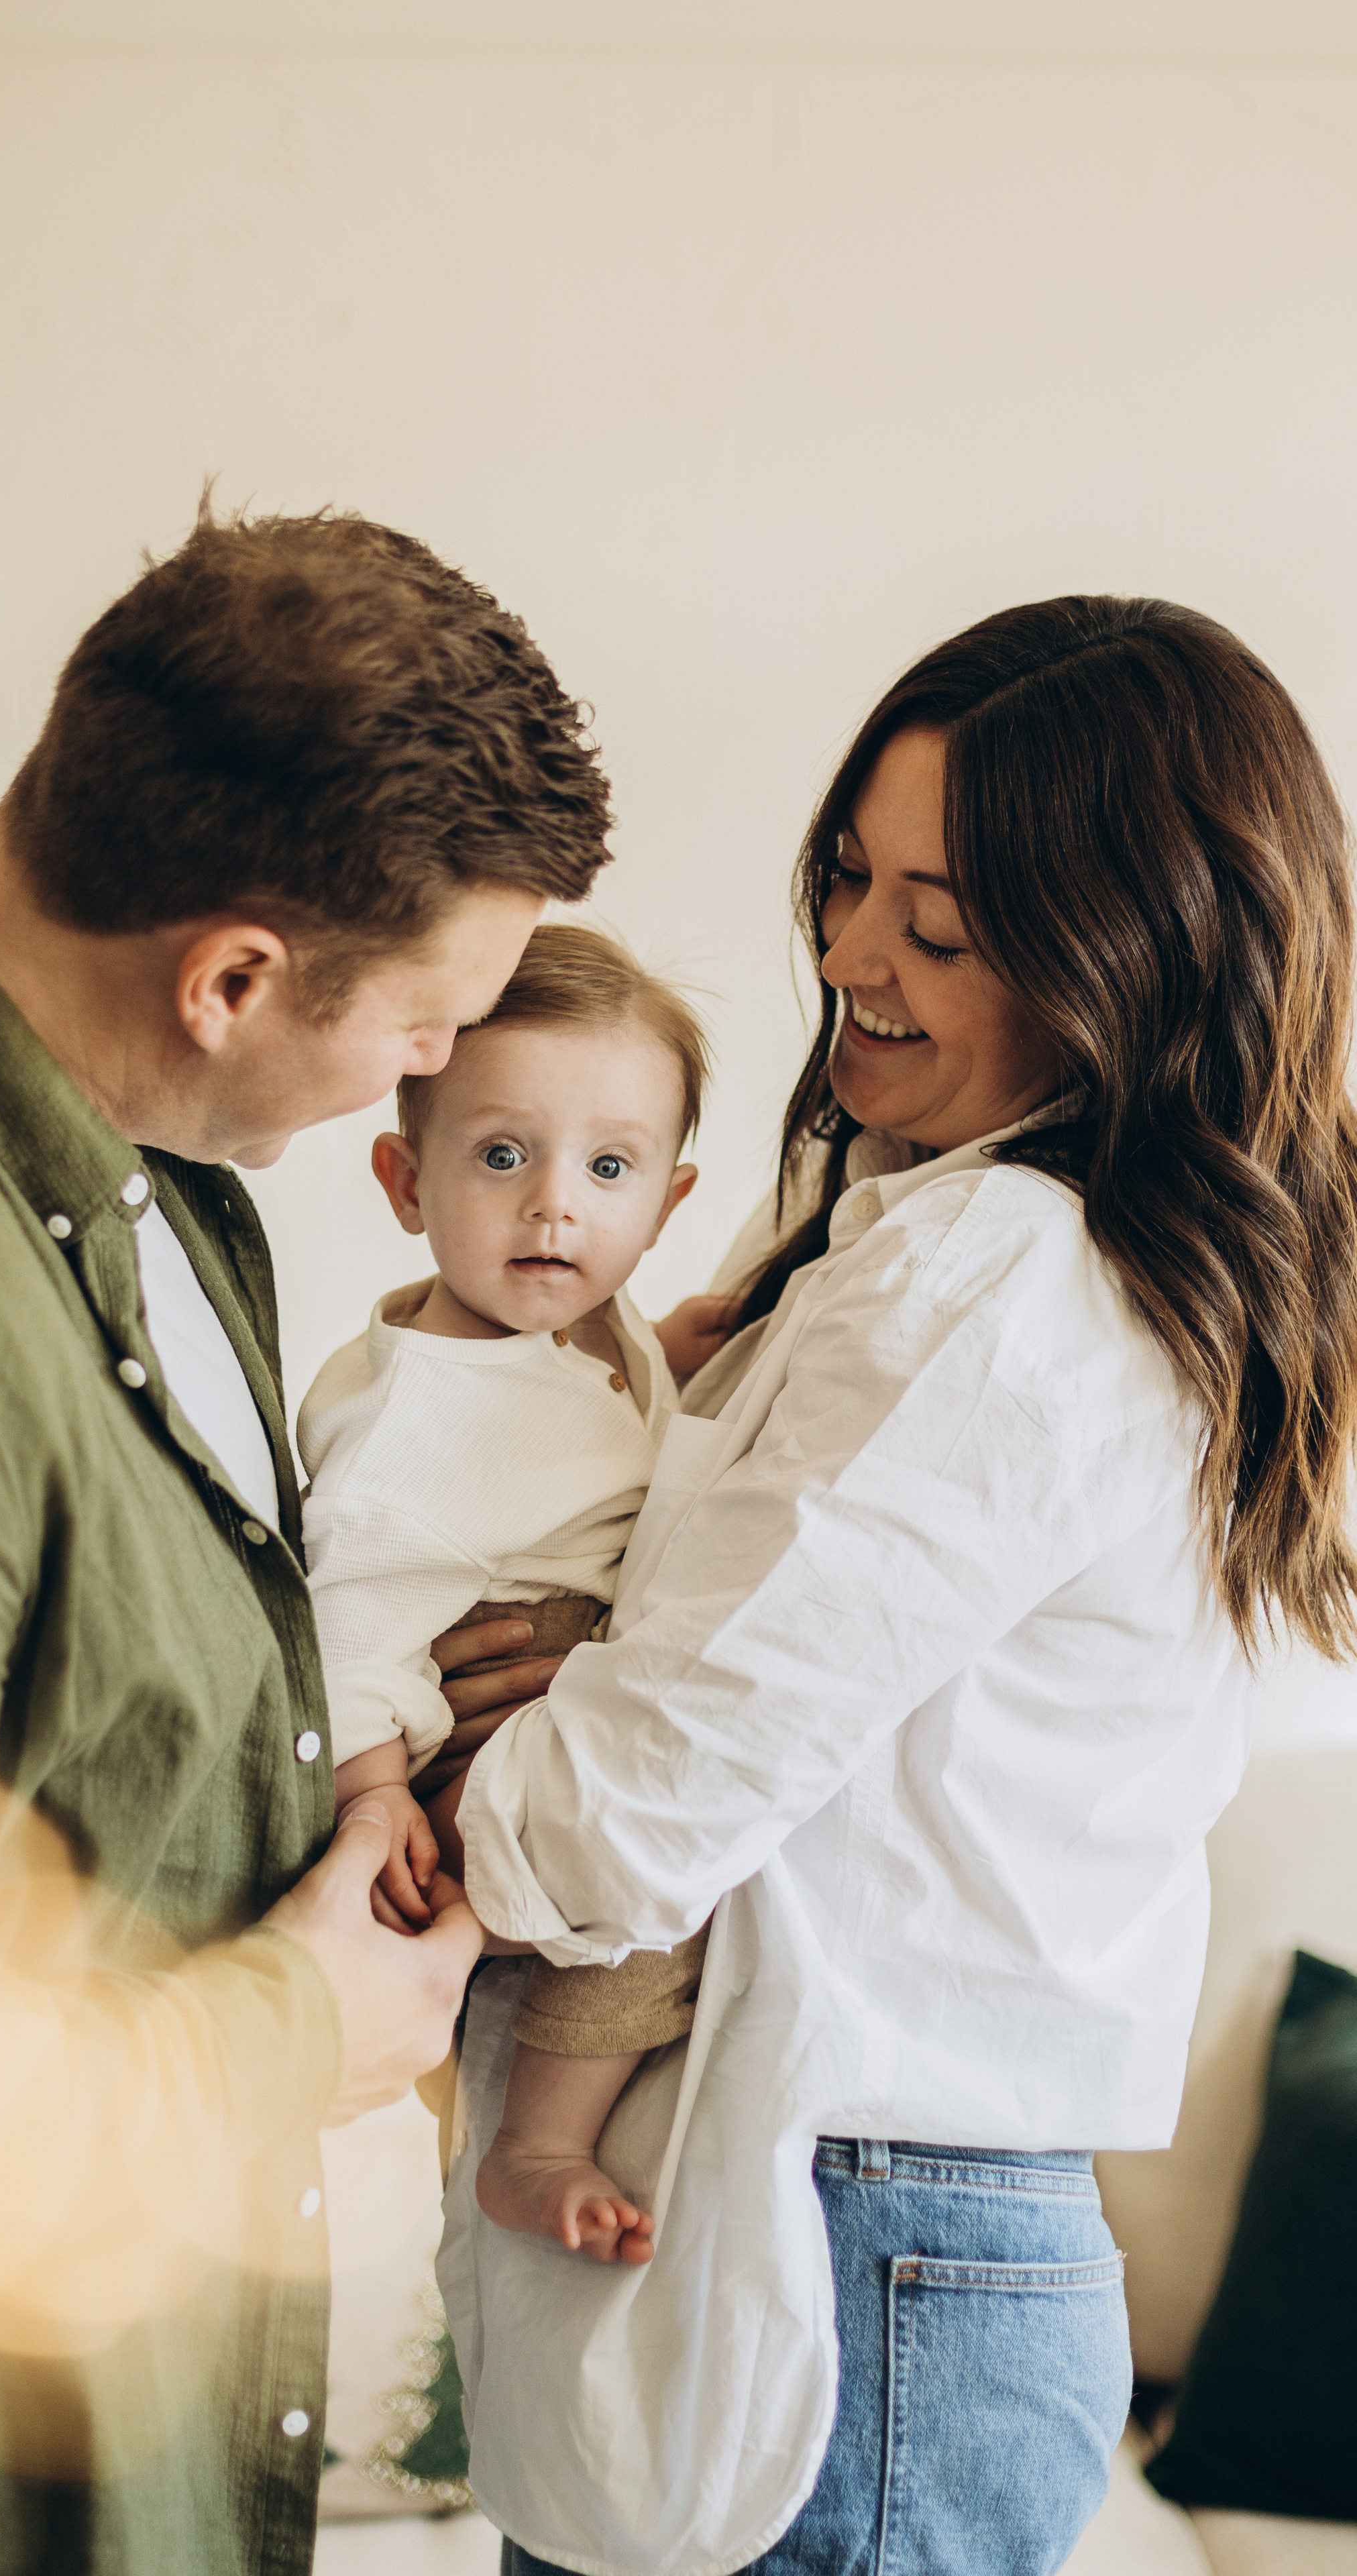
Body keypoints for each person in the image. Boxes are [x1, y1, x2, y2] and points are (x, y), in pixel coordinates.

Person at [0, 502, 614, 2576]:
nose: (438, 1068)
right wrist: (298, 2029)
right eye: (430, 1022)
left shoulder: (133, 1146)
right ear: (235, 976)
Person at [425, 596, 1357, 2576]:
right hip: (881, 2247)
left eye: (940, 926)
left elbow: (632, 1805)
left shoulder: (994, 1276)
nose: (852, 959)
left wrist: (429, 1782)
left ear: (1143, 954)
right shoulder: (924, 1231)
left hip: (852, 2245)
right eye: (850, 881)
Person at [296, 924, 705, 2263]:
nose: (553, 1207)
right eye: (499, 1156)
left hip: (565, 1677)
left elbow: (616, 1394)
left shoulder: (576, 1318)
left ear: (665, 1199)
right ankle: (537, 2139)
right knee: (650, 1899)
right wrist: (368, 1792)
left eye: (605, 1168)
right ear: (403, 1180)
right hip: (480, 1734)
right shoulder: (411, 1415)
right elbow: (343, 1606)